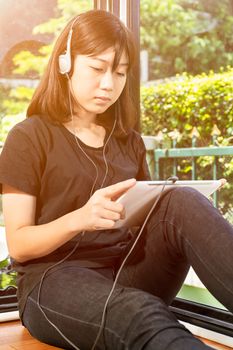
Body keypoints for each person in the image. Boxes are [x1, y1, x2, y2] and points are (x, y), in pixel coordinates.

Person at [0, 9, 232, 350]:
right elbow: (19, 244)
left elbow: (153, 221)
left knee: (180, 200)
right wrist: (81, 218)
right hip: (52, 283)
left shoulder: (128, 140)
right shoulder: (29, 137)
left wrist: (184, 207)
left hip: (126, 272)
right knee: (142, 314)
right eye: (97, 68)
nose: (109, 84)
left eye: (120, 73)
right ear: (65, 64)